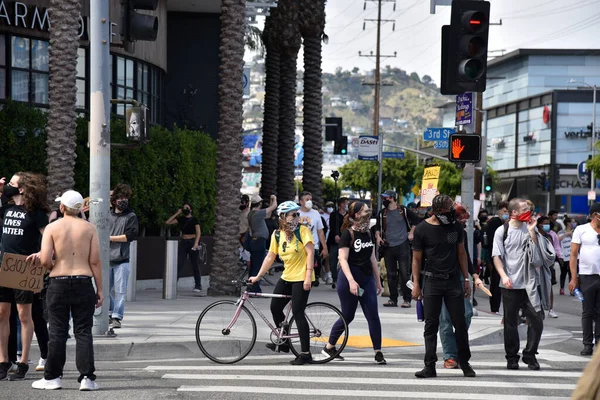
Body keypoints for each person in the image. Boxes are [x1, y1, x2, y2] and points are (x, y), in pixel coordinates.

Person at [30, 190, 101, 391]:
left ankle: (52, 377)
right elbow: (95, 261)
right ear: (79, 209)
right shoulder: (89, 229)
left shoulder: (52, 227)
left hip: (58, 283)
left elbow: (44, 260)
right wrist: (101, 289)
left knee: (57, 332)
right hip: (83, 281)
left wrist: (55, 268)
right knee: (83, 331)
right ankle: (87, 377)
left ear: (62, 207)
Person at [411, 194, 476, 378]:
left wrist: (466, 279)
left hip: (453, 281)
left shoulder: (455, 226)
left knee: (460, 323)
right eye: (446, 212)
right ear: (436, 211)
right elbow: (416, 259)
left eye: (451, 211)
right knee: (431, 325)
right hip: (431, 281)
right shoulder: (422, 229)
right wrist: (416, 284)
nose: (449, 215)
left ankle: (465, 362)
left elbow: (461, 254)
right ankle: (429, 366)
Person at [248, 201, 315, 365]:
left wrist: (308, 276)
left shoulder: (303, 231)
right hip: (287, 276)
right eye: (293, 214)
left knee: (298, 313)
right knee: (275, 307)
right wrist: (257, 276)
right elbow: (270, 257)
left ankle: (305, 354)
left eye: (298, 214)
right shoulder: (277, 235)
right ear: (283, 217)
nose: (297, 217)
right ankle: (284, 342)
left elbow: (311, 252)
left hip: (301, 277)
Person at [0, 172, 50, 381]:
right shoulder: (6, 207)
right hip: (5, 265)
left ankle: (23, 361)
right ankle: (3, 361)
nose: (8, 186)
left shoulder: (36, 213)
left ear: (21, 188)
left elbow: (49, 236)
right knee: (2, 313)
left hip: (25, 268)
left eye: (12, 183)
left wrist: (42, 253)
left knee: (24, 316)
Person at [492, 198, 552, 371]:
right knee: (511, 322)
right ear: (513, 212)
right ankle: (512, 357)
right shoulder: (502, 231)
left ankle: (530, 354)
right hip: (510, 284)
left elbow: (540, 257)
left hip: (530, 284)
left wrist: (533, 232)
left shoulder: (532, 228)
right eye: (525, 209)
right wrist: (503, 276)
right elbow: (497, 256)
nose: (529, 211)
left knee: (537, 319)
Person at [324, 201, 385, 364]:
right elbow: (342, 260)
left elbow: (372, 258)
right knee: (347, 315)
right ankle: (329, 346)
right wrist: (351, 281)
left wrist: (378, 281)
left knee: (373, 315)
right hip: (349, 279)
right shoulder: (348, 234)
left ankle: (378, 351)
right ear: (356, 215)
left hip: (367, 279)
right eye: (365, 211)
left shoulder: (369, 233)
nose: (368, 213)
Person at [439, 203, 484, 369]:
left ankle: (459, 348)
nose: (465, 222)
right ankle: (450, 355)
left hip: (459, 276)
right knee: (445, 319)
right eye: (462, 218)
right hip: (440, 277)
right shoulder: (436, 230)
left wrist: (473, 276)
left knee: (466, 313)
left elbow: (464, 256)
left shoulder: (461, 233)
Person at [375, 190, 419, 308]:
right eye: (383, 198)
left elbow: (416, 221)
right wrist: (378, 237)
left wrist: (411, 233)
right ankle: (393, 299)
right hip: (388, 246)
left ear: (393, 198)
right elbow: (377, 228)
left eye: (386, 198)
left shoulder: (403, 210)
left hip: (403, 245)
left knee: (405, 274)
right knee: (391, 274)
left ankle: (407, 299)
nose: (384, 200)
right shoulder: (382, 213)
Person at [569, 203, 600, 356]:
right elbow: (573, 255)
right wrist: (574, 278)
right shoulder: (582, 230)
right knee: (587, 312)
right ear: (595, 215)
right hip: (587, 276)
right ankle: (587, 344)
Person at [108, 184, 139, 330]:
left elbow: (130, 236)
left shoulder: (131, 216)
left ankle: (116, 317)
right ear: (114, 200)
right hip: (106, 259)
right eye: (120, 198)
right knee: (103, 289)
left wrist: (110, 238)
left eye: (125, 198)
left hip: (122, 259)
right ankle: (110, 312)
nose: (123, 200)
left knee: (120, 291)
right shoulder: (107, 214)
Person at [165, 202, 202, 292]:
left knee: (195, 264)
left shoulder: (194, 219)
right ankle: (173, 284)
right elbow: (168, 222)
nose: (185, 209)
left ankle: (198, 285)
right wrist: (177, 213)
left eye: (187, 208)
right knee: (179, 263)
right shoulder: (181, 219)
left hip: (192, 241)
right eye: (184, 208)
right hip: (183, 242)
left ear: (191, 210)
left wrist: (196, 243)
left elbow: (198, 232)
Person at [246, 194, 277, 292]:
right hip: (259, 242)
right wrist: (274, 198)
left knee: (254, 265)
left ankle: (251, 287)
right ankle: (255, 288)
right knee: (258, 265)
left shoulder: (252, 213)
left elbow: (268, 214)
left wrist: (271, 201)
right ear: (259, 203)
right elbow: (273, 207)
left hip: (255, 242)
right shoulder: (257, 213)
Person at [483, 201, 509, 314]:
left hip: (502, 258)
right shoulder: (495, 222)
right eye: (504, 211)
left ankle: (496, 308)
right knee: (496, 284)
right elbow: (491, 243)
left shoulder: (504, 223)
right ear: (499, 211)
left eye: (508, 212)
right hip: (495, 258)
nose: (506, 214)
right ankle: (495, 308)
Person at [298, 192, 329, 286]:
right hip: (299, 246)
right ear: (301, 202)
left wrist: (324, 247)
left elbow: (320, 231)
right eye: (307, 199)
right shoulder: (296, 213)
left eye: (310, 199)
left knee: (311, 266)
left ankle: (309, 282)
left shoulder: (315, 214)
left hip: (313, 246)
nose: (309, 201)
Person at [537, 215, 562, 318]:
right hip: (537, 266)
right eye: (545, 223)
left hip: (548, 266)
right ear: (539, 224)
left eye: (548, 223)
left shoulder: (550, 236)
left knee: (549, 286)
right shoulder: (535, 235)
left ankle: (550, 309)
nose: (547, 225)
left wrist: (560, 257)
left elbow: (556, 247)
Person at [327, 197, 349, 289]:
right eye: (344, 203)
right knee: (333, 260)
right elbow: (332, 226)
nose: (346, 205)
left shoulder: (349, 215)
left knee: (345, 261)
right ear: (340, 204)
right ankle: (335, 278)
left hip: (346, 241)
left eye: (347, 203)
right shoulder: (334, 215)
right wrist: (336, 235)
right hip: (334, 241)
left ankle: (343, 279)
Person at [558, 217, 575, 295]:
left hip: (572, 256)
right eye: (572, 222)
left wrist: (571, 235)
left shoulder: (575, 232)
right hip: (564, 256)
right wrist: (566, 234)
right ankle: (562, 288)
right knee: (563, 272)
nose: (574, 224)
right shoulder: (561, 232)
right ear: (568, 223)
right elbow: (557, 240)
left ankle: (572, 290)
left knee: (571, 273)